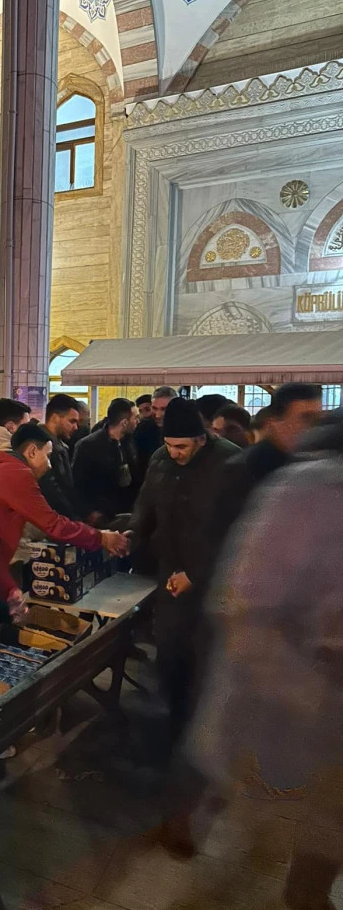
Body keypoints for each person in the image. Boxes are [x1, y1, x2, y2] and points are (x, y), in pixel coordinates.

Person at [190, 430, 343, 910]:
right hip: (276, 717)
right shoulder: (306, 492)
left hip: (317, 722)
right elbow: (242, 611)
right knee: (245, 843)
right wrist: (314, 691)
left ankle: (308, 891)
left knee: (322, 834)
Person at [0, 422, 131, 666]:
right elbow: (54, 525)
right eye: (48, 455)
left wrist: (10, 590)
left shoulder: (4, 473)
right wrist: (101, 537)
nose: (49, 464)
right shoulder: (16, 474)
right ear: (32, 451)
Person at [129, 397, 239, 748]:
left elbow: (235, 531)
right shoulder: (160, 459)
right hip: (171, 570)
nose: (174, 453)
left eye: (181, 447)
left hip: (214, 577)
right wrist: (130, 535)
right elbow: (146, 507)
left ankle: (208, 731)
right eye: (169, 445)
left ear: (201, 439)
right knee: (169, 647)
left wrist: (196, 573)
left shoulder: (230, 463)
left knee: (207, 654)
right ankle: (176, 725)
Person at [213, 383, 322, 548]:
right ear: (275, 422)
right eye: (306, 418)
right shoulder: (242, 470)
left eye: (318, 420)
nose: (314, 428)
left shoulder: (317, 468)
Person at [73, 397, 140, 523]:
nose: (138, 421)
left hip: (125, 512)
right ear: (124, 422)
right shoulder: (88, 446)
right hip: (100, 515)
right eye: (135, 417)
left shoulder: (129, 442)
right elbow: (77, 483)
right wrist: (88, 512)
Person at [39, 393, 82, 519]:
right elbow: (52, 491)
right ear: (55, 418)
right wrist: (73, 517)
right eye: (72, 421)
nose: (76, 427)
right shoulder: (41, 447)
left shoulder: (61, 447)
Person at [133, 386, 178, 486]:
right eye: (154, 408)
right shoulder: (142, 429)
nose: (158, 415)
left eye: (164, 409)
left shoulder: (185, 431)